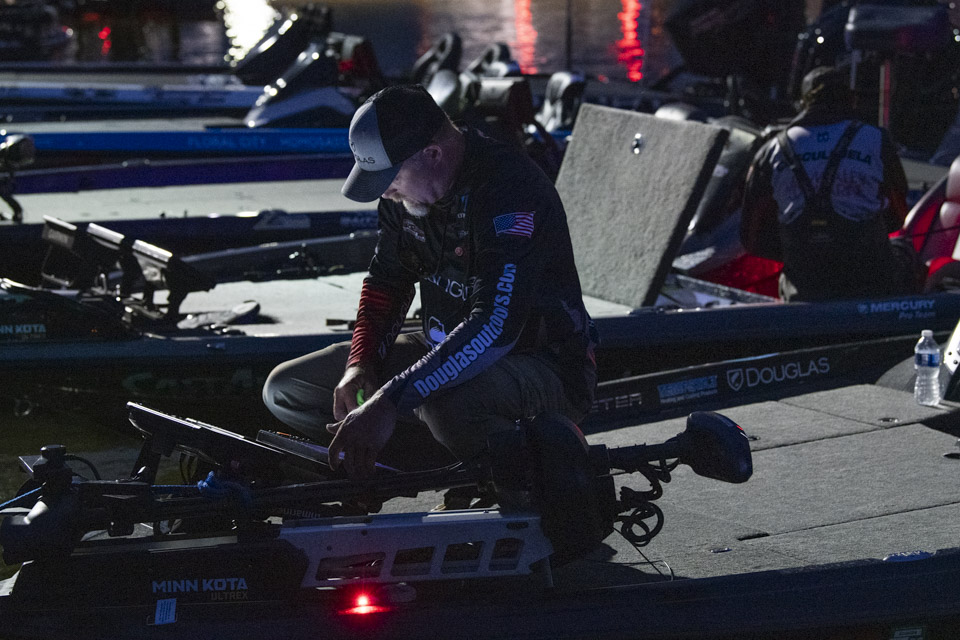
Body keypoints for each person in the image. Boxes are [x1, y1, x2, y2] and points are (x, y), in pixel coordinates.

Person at [262, 84, 597, 486]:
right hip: (447, 346)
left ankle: (525, 488)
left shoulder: (510, 190)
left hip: (542, 364)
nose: (385, 191)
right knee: (286, 388)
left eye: (390, 177)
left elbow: (494, 327)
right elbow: (387, 281)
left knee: (444, 407)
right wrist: (360, 364)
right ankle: (401, 474)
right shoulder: (405, 195)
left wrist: (391, 399)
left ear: (432, 154)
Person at [740, 65, 921, 301]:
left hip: (803, 287)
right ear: (851, 98)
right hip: (870, 283)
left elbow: (751, 239)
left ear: (802, 103)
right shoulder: (876, 140)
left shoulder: (771, 150)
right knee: (905, 251)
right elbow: (900, 214)